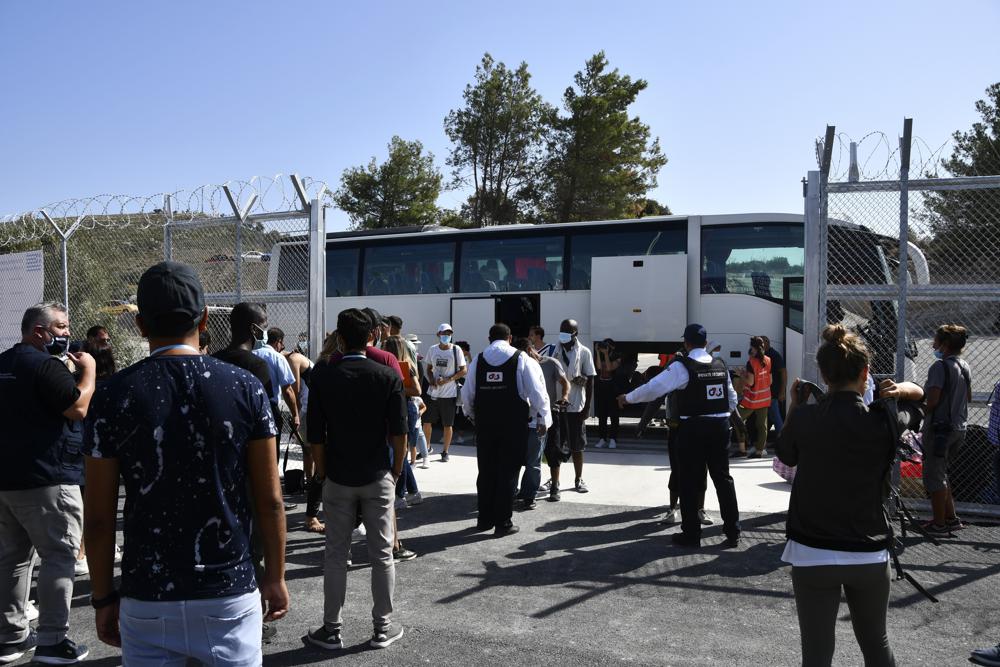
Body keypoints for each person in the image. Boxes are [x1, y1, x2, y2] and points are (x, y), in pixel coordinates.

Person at [82, 261, 289, 666]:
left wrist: (103, 596)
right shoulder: (244, 386)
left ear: (141, 325)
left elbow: (100, 518)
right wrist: (276, 576)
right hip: (227, 585)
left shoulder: (110, 396)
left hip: (148, 591)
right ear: (206, 317)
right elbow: (270, 501)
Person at [775, 324, 908, 667]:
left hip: (812, 549)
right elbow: (917, 397)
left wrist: (794, 405)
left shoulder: (805, 416)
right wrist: (894, 392)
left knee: (817, 654)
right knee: (876, 644)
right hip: (868, 549)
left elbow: (786, 456)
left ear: (822, 373)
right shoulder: (884, 420)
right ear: (865, 372)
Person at [305, 308, 407, 651]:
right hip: (377, 473)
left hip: (338, 475)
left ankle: (331, 629)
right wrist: (395, 471)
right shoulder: (387, 375)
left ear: (340, 337)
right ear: (372, 337)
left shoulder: (323, 375)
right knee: (381, 554)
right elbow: (399, 432)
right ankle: (383, 627)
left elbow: (315, 434)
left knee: (335, 554)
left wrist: (321, 470)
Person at [0, 303, 95, 665]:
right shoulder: (42, 364)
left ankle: (10, 637)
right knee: (59, 556)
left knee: (12, 559)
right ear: (39, 331)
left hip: (7, 480)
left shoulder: (4, 363)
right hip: (48, 479)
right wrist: (89, 371)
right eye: (61, 327)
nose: (66, 334)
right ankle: (54, 640)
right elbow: (78, 407)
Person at [618, 324, 740, 549]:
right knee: (723, 480)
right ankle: (733, 532)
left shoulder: (683, 366)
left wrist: (628, 398)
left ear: (687, 343)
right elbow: (732, 399)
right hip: (720, 428)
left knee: (689, 481)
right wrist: (720, 416)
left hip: (692, 429)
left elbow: (654, 388)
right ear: (706, 343)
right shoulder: (721, 365)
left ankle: (691, 535)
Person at [461, 324, 551, 536]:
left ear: (489, 338)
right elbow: (537, 392)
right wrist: (543, 419)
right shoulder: (520, 359)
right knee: (508, 472)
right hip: (513, 425)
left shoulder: (479, 360)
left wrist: (472, 416)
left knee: (486, 472)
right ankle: (503, 522)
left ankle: (484, 520)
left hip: (485, 426)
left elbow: (467, 395)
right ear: (510, 338)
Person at [921, 324, 972, 535]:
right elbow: (967, 397)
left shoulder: (939, 367)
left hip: (940, 430)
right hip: (959, 428)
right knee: (942, 473)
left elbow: (932, 400)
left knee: (933, 475)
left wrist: (916, 410)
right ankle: (951, 518)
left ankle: (939, 523)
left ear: (945, 344)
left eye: (936, 341)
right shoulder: (964, 365)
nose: (933, 344)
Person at [513, 338, 568, 509]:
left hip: (546, 415)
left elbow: (563, 384)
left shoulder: (550, 363)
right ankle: (520, 492)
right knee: (522, 459)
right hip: (523, 419)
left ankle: (551, 488)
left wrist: (564, 398)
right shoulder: (515, 364)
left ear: (530, 350)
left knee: (550, 455)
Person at [282, 332, 323, 533]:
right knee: (308, 449)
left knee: (311, 449)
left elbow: (295, 389)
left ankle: (313, 480)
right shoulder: (297, 358)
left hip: (307, 409)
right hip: (310, 408)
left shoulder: (293, 359)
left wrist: (295, 413)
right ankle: (310, 480)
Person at [549, 319, 596, 494]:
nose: (563, 334)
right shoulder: (554, 351)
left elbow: (591, 380)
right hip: (557, 405)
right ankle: (555, 482)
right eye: (561, 330)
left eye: (567, 331)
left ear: (575, 334)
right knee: (555, 446)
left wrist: (587, 408)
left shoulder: (584, 352)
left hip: (576, 405)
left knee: (577, 445)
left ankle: (578, 478)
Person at [254, 323, 300, 464]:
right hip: (271, 409)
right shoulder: (277, 358)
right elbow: (287, 390)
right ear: (278, 341)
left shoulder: (253, 355)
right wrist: (295, 415)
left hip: (253, 407)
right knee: (272, 449)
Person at [422, 323, 467, 462]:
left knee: (448, 424)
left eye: (449, 334)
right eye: (444, 334)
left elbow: (463, 370)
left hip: (449, 393)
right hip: (433, 392)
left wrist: (448, 379)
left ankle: (445, 451)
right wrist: (431, 379)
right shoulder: (432, 349)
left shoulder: (456, 349)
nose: (446, 336)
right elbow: (428, 368)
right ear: (438, 335)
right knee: (427, 422)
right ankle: (426, 448)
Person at [737, 336, 772, 458]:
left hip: (752, 399)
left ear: (754, 348)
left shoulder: (751, 362)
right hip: (765, 398)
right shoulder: (768, 360)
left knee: (737, 420)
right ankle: (759, 452)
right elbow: (770, 380)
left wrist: (741, 374)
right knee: (762, 425)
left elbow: (751, 382)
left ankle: (742, 449)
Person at [594, 338, 623, 449]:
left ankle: (613, 439)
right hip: (602, 387)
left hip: (613, 388)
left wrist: (606, 354)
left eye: (607, 346)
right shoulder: (600, 355)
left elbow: (610, 368)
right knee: (602, 415)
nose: (605, 348)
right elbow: (599, 367)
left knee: (614, 415)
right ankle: (602, 438)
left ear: (612, 347)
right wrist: (597, 352)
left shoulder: (617, 356)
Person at [761, 335, 787, 442]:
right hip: (765, 393)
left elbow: (783, 372)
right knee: (770, 417)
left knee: (775, 417)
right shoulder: (763, 355)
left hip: (773, 392)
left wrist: (782, 392)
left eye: (761, 343)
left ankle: (783, 440)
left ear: (767, 343)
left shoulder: (774, 355)